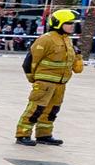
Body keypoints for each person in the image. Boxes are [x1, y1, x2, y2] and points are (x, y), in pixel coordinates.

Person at [17, 8, 84, 146]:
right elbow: (29, 61)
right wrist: (34, 80)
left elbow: (77, 68)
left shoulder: (68, 41)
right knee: (35, 109)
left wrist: (78, 56)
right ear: (58, 23)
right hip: (44, 84)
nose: (73, 25)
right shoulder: (46, 39)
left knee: (52, 111)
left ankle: (44, 135)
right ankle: (22, 134)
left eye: (73, 23)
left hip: (60, 84)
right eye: (69, 23)